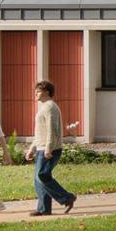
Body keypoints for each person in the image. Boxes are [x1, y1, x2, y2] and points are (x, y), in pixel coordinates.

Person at [29, 78, 78, 216]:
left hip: (50, 149)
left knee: (42, 175)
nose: (36, 94)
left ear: (47, 92)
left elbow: (52, 130)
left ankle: (67, 198)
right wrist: (32, 149)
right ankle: (44, 209)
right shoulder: (44, 107)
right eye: (36, 91)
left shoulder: (50, 107)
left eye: (38, 91)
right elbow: (40, 132)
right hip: (41, 148)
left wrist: (49, 148)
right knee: (39, 179)